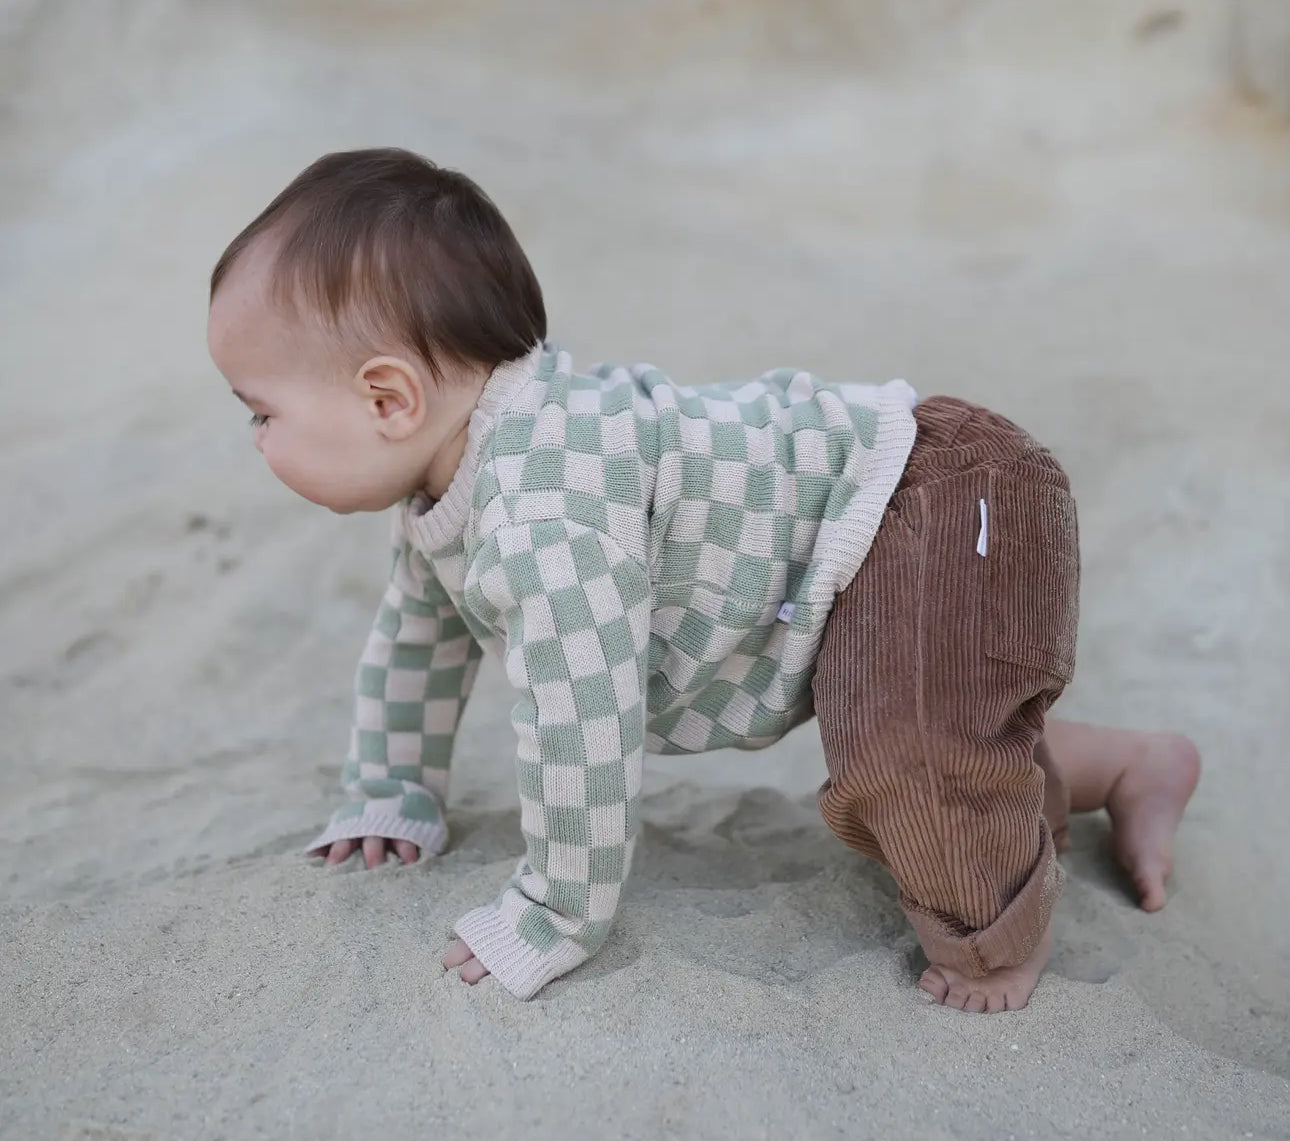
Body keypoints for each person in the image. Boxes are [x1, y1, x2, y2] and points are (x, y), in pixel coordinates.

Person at [206, 148, 1201, 1012]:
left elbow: (584, 727)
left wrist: (556, 910)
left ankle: (996, 939)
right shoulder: (456, 480)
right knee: (932, 699)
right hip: (872, 532)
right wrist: (389, 790)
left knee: (907, 759)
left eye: (260, 412)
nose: (254, 439)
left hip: (937, 496)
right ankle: (1127, 764)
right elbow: (416, 641)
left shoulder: (546, 510)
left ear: (389, 398)